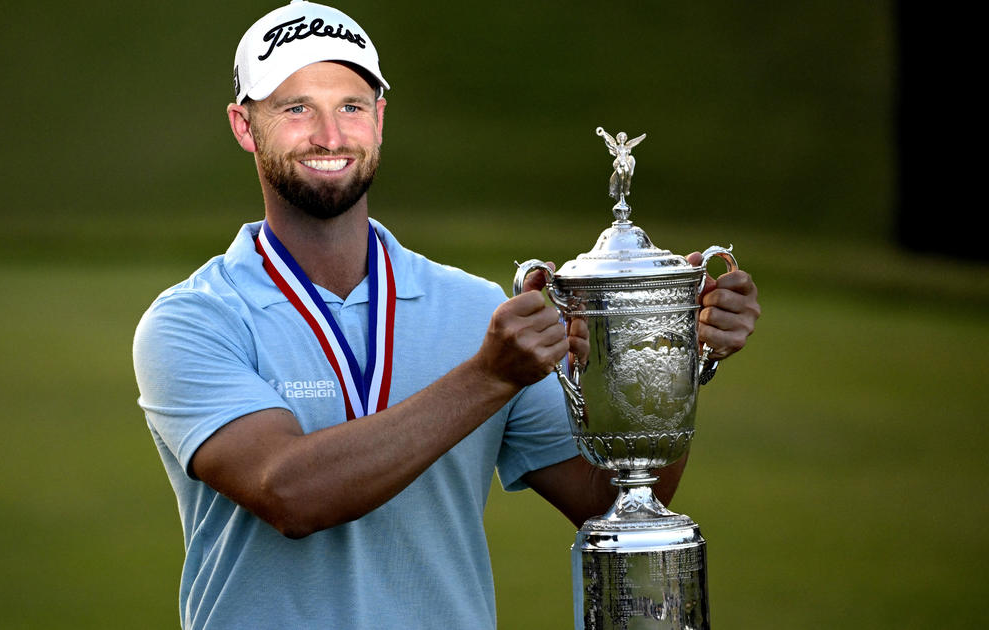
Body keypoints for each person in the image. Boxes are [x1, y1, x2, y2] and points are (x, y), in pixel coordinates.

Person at [132, 2, 761, 628]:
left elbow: (607, 496)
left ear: (378, 119)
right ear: (245, 126)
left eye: (350, 106)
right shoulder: (192, 321)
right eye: (295, 109)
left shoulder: (474, 308)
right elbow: (289, 493)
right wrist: (488, 376)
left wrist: (661, 349)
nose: (328, 134)